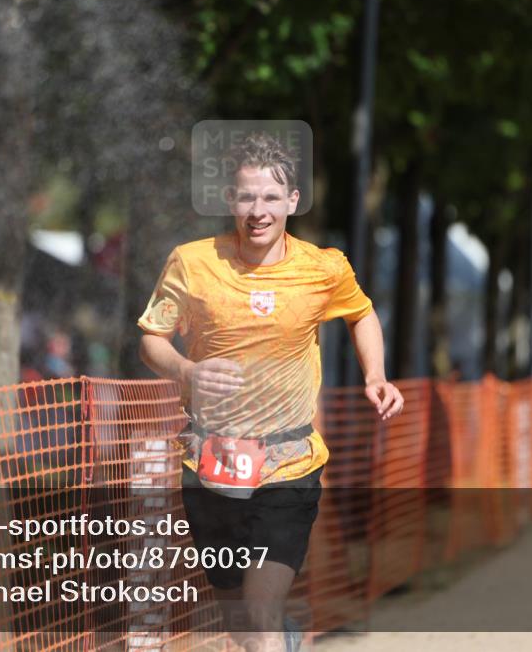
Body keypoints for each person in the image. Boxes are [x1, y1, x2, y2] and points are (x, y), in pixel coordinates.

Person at [137, 132, 403, 652]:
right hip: (209, 461)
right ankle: (284, 640)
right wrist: (186, 372)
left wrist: (376, 375)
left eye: (271, 198)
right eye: (246, 197)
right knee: (240, 619)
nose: (258, 211)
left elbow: (362, 313)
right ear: (230, 201)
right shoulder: (193, 263)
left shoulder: (323, 268)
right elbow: (152, 340)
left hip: (290, 464)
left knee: (259, 611)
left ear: (293, 201)